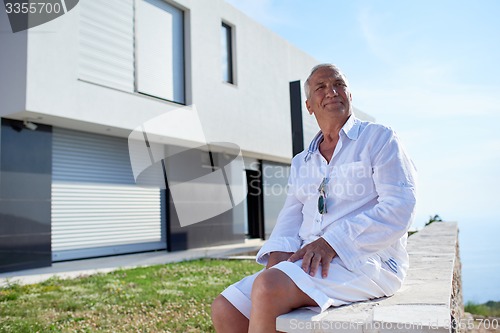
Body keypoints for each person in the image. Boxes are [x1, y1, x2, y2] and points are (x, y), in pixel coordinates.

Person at [211, 64, 417, 333]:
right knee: (227, 307)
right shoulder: (302, 162)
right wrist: (275, 264)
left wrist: (332, 243)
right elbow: (290, 218)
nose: (331, 91)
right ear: (309, 105)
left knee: (268, 289)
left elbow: (400, 207)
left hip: (368, 262)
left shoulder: (379, 139)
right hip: (311, 264)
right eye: (321, 87)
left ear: (350, 95)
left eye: (338, 84)